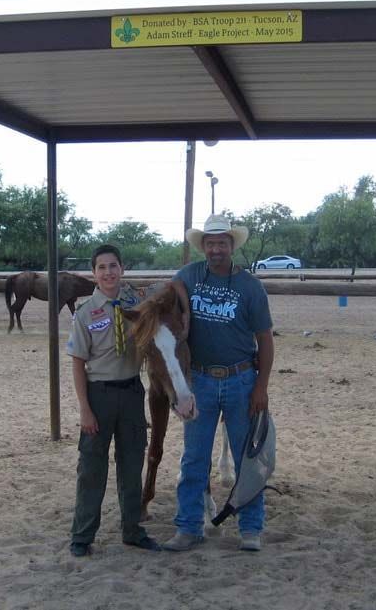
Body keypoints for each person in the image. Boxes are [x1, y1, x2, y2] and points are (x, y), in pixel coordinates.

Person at [162, 214, 275, 552]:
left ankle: (251, 528)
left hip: (241, 379)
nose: (215, 249)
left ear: (231, 245)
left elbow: (265, 339)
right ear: (203, 246)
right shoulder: (189, 275)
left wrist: (261, 387)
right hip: (200, 379)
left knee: (246, 458)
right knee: (194, 458)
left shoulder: (250, 287)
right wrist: (182, 302)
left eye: (221, 243)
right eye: (210, 243)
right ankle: (188, 526)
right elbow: (169, 291)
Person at [66, 244, 161, 557]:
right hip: (99, 395)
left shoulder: (138, 304)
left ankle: (132, 530)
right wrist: (85, 409)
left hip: (132, 393)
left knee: (132, 465)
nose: (108, 273)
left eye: (113, 266)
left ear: (122, 269)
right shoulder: (85, 313)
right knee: (92, 468)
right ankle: (82, 536)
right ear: (93, 274)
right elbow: (78, 363)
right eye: (102, 267)